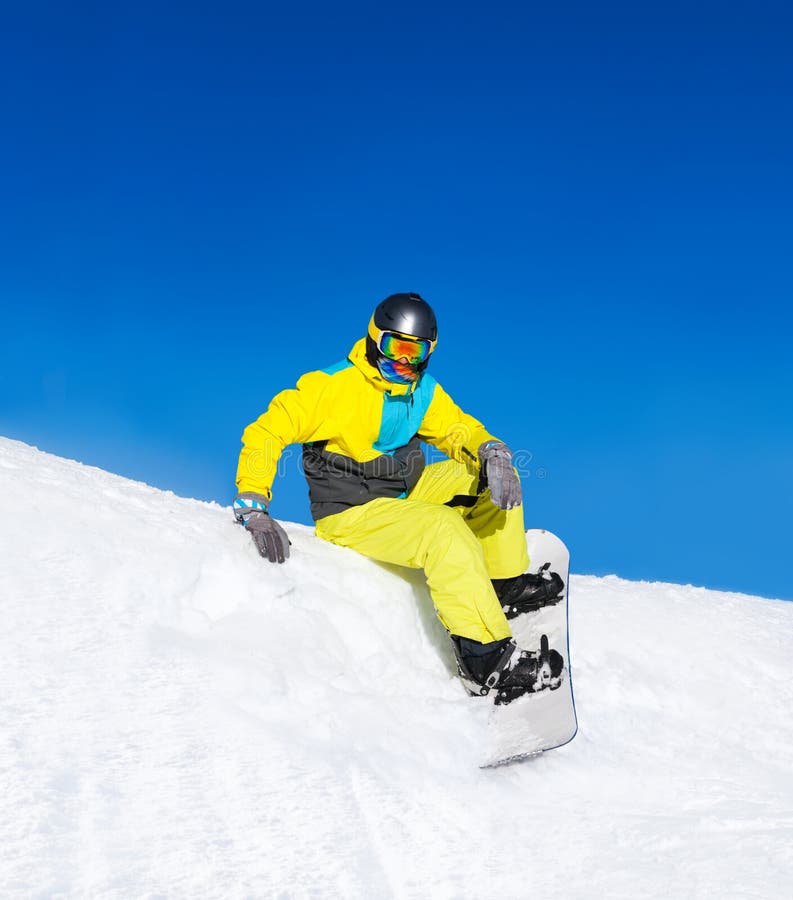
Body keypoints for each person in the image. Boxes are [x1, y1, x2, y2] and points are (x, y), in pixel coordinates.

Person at [233, 292, 562, 703]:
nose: (404, 361)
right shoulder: (333, 388)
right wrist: (253, 502)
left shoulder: (422, 391)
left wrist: (490, 449)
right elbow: (268, 431)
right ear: (374, 340)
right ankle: (487, 662)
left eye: (415, 351)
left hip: (405, 496)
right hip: (352, 514)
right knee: (442, 530)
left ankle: (501, 584)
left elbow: (456, 427)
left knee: (483, 475)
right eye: (395, 346)